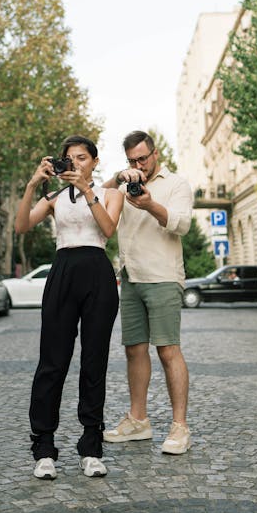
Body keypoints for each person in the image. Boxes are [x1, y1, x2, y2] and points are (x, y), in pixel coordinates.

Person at [15, 135, 123, 480]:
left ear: (94, 161)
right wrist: (33, 184)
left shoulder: (111, 195)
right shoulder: (53, 197)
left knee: (95, 360)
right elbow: (20, 226)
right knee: (52, 361)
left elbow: (108, 229)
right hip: (62, 271)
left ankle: (91, 447)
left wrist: (88, 191)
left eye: (81, 158)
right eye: (68, 159)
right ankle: (43, 447)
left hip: (96, 271)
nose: (74, 163)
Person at [102, 130, 193, 455]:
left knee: (168, 351)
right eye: (132, 160)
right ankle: (138, 421)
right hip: (131, 276)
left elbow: (182, 224)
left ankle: (180, 427)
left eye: (143, 158)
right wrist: (118, 176)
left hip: (164, 277)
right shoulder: (124, 184)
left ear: (155, 154)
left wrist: (150, 203)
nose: (139, 164)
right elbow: (98, 195)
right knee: (133, 350)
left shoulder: (176, 184)